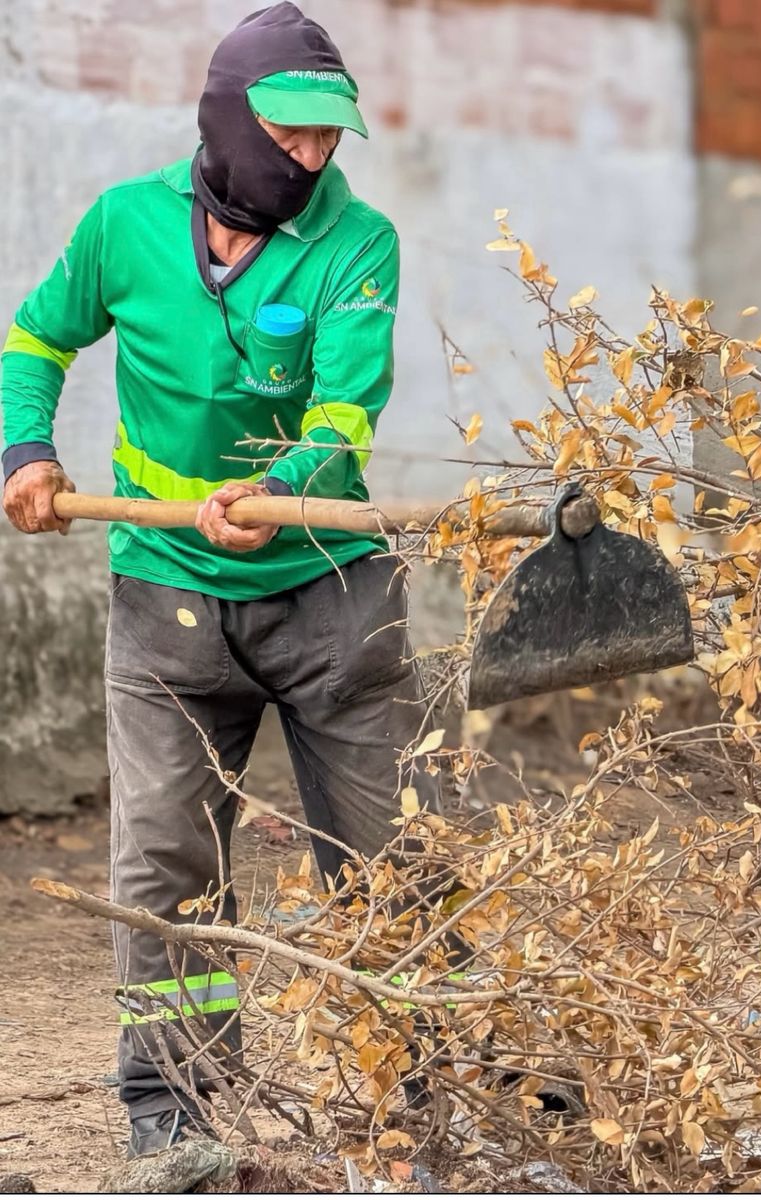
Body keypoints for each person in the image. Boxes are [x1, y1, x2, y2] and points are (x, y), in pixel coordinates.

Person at [0, 3, 431, 1156]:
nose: (312, 157)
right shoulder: (124, 226)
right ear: (227, 117)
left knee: (392, 856)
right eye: (291, 135)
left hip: (333, 594)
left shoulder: (359, 241)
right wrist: (26, 450)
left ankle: (425, 1099)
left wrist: (280, 485)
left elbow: (345, 404)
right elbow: (35, 339)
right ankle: (175, 1118)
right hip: (164, 601)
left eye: (329, 138)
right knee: (164, 860)